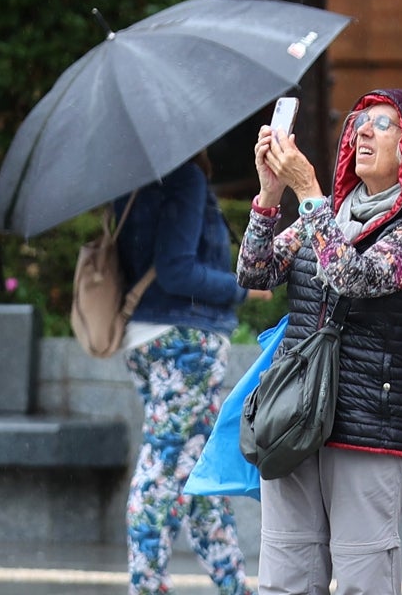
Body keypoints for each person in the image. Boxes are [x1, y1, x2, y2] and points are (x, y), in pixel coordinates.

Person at [237, 88, 402, 595]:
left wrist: (310, 193)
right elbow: (256, 271)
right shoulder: (327, 215)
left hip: (369, 425)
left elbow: (350, 277)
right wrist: (271, 195)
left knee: (364, 581)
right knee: (285, 579)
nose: (362, 131)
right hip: (292, 418)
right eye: (362, 121)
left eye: (383, 125)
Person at [114, 149, 268, 595]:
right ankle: (145, 587)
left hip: (143, 337)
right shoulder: (183, 177)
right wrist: (243, 288)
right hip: (185, 342)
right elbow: (178, 271)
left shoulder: (131, 180)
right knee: (161, 469)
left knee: (198, 469)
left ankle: (234, 586)